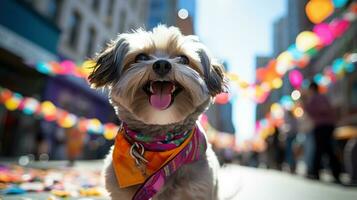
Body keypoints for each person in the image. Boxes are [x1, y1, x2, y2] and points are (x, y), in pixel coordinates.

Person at [303, 82, 341, 182]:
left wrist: (304, 103)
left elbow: (310, 111)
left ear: (311, 89)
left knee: (319, 149)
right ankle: (336, 172)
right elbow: (330, 110)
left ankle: (315, 172)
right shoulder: (324, 97)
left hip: (321, 126)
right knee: (328, 148)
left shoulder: (314, 98)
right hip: (329, 125)